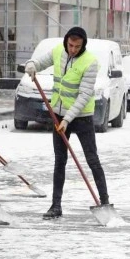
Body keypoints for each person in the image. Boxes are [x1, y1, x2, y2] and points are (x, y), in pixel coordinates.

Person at [24, 26, 110, 220]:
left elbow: (84, 95)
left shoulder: (90, 63)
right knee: (60, 161)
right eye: (70, 45)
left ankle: (104, 201)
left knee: (92, 159)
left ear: (83, 45)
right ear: (66, 42)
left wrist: (68, 119)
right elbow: (40, 61)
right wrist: (32, 65)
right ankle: (56, 205)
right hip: (58, 115)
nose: (73, 50)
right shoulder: (58, 52)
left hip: (81, 117)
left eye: (77, 46)